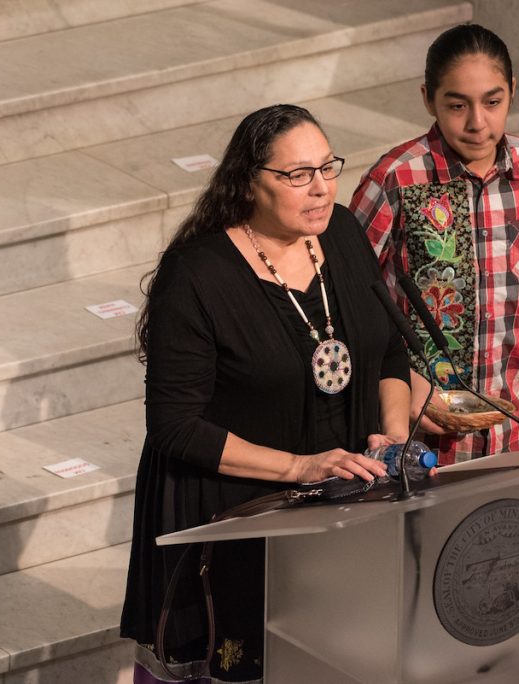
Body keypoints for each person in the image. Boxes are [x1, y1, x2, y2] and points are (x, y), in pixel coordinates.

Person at [120, 104, 411, 683]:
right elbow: (175, 426)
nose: (323, 188)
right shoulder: (198, 275)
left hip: (339, 507)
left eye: (328, 168)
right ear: (250, 182)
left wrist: (393, 435)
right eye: (298, 175)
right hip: (234, 516)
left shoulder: (345, 236)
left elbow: (388, 352)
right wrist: (302, 466)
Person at [350, 23, 519, 465]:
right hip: (414, 431)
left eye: (493, 102)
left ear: (512, 92)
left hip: (509, 428)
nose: (477, 123)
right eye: (457, 105)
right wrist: (400, 380)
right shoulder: (397, 177)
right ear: (428, 99)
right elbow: (347, 294)